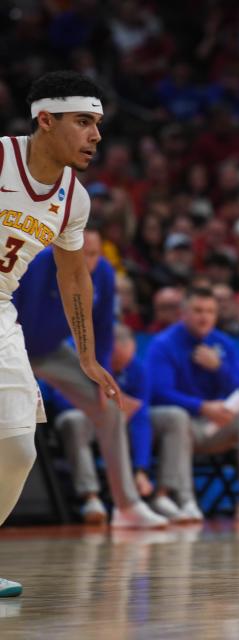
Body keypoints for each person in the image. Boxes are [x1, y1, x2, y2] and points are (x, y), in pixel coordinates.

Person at [0, 71, 123, 598]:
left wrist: (89, 356)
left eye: (96, 123)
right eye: (83, 122)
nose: (95, 135)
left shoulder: (75, 199)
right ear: (44, 121)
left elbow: (74, 275)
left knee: (18, 448)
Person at [16, 229, 167, 529]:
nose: (87, 260)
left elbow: (104, 328)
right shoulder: (38, 264)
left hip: (51, 351)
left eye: (94, 254)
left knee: (110, 404)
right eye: (81, 252)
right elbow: (14, 313)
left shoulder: (105, 274)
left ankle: (127, 506)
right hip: (11, 346)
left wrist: (101, 369)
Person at [146, 287, 239, 522]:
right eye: (197, 310)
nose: (204, 317)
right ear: (183, 313)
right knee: (176, 416)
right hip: (185, 423)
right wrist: (202, 406)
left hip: (216, 423)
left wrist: (219, 368)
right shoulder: (164, 345)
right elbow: (159, 393)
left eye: (209, 311)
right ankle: (183, 499)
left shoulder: (223, 343)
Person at [53, 323, 201, 523]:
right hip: (85, 420)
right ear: (104, 350)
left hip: (121, 426)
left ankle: (163, 495)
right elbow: (59, 400)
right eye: (117, 363)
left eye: (125, 362)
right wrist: (103, 403)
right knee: (73, 420)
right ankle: (91, 498)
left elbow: (141, 417)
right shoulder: (74, 353)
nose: (121, 368)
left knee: (174, 416)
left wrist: (141, 469)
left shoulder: (136, 368)